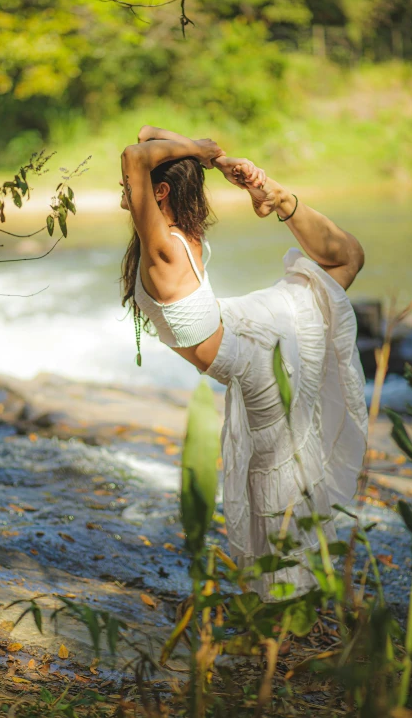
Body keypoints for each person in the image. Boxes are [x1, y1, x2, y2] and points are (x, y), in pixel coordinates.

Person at [120, 125, 368, 600]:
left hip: (250, 351)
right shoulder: (169, 236)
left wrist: (207, 153)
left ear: (162, 192)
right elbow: (145, 140)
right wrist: (210, 158)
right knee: (274, 473)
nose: (124, 189)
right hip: (238, 336)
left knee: (345, 261)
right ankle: (282, 599)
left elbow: (138, 151)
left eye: (129, 187)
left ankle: (291, 599)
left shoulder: (165, 245)